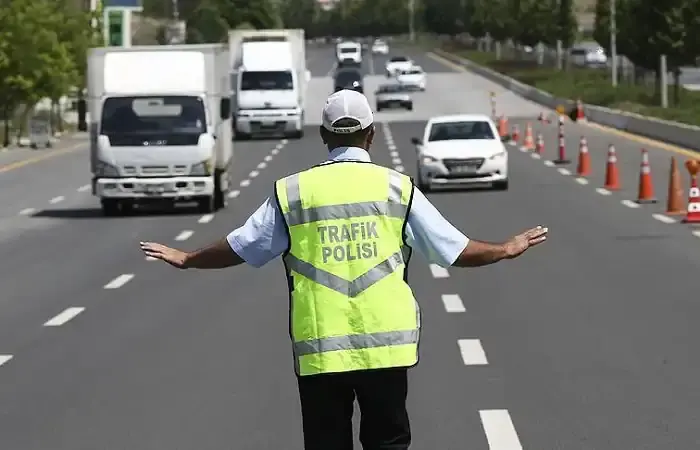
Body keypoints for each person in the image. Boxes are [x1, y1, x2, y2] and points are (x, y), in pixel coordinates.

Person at [140, 89, 548, 450]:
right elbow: (454, 250)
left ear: (323, 136)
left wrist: (188, 258)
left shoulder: (294, 191)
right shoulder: (396, 187)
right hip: (387, 349)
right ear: (370, 135)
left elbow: (243, 246)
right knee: (388, 442)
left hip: (321, 348)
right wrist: (505, 249)